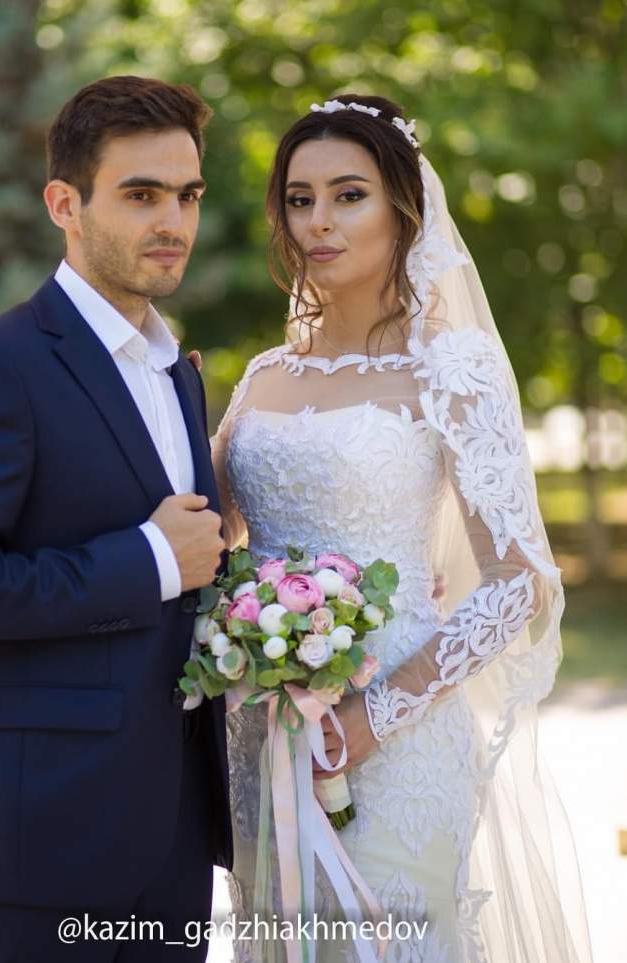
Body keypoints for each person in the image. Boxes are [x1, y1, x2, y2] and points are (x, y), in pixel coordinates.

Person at [211, 95, 593, 962]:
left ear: (404, 209)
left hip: (398, 742)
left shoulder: (450, 366)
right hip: (267, 746)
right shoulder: (264, 376)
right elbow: (211, 540)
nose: (318, 220)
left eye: (349, 195)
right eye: (300, 199)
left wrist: (371, 716)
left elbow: (518, 581)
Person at [0, 75, 231, 962]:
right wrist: (150, 559)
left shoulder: (177, 371)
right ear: (64, 204)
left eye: (188, 195)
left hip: (174, 833)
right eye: (141, 195)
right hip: (41, 834)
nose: (174, 221)